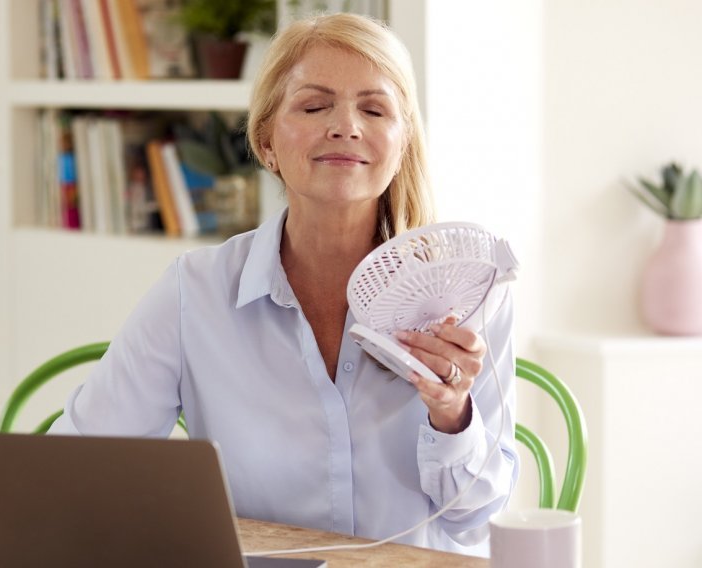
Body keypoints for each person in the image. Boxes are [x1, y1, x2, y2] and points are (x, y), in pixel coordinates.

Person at [49, 12, 518, 557]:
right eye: (315, 105)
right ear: (266, 141)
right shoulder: (194, 293)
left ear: (401, 144)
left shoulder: (467, 295)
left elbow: (477, 521)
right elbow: (77, 469)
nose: (346, 125)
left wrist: (452, 414)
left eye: (374, 108)